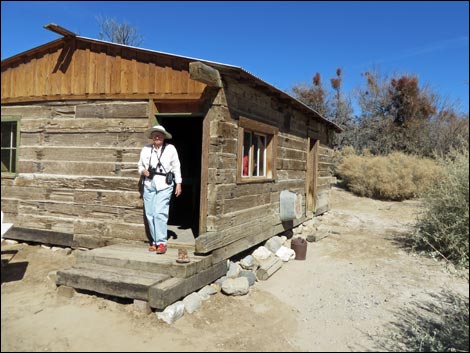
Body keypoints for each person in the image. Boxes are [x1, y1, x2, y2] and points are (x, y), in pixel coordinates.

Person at [137, 125, 182, 254]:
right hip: (149, 184)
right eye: (155, 134)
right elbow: (139, 165)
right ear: (152, 137)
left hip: (164, 184)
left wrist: (178, 183)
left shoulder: (170, 149)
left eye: (160, 134)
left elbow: (176, 166)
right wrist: (142, 171)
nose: (157, 136)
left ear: (163, 137)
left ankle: (162, 242)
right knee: (150, 214)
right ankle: (155, 242)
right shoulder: (146, 149)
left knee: (159, 213)